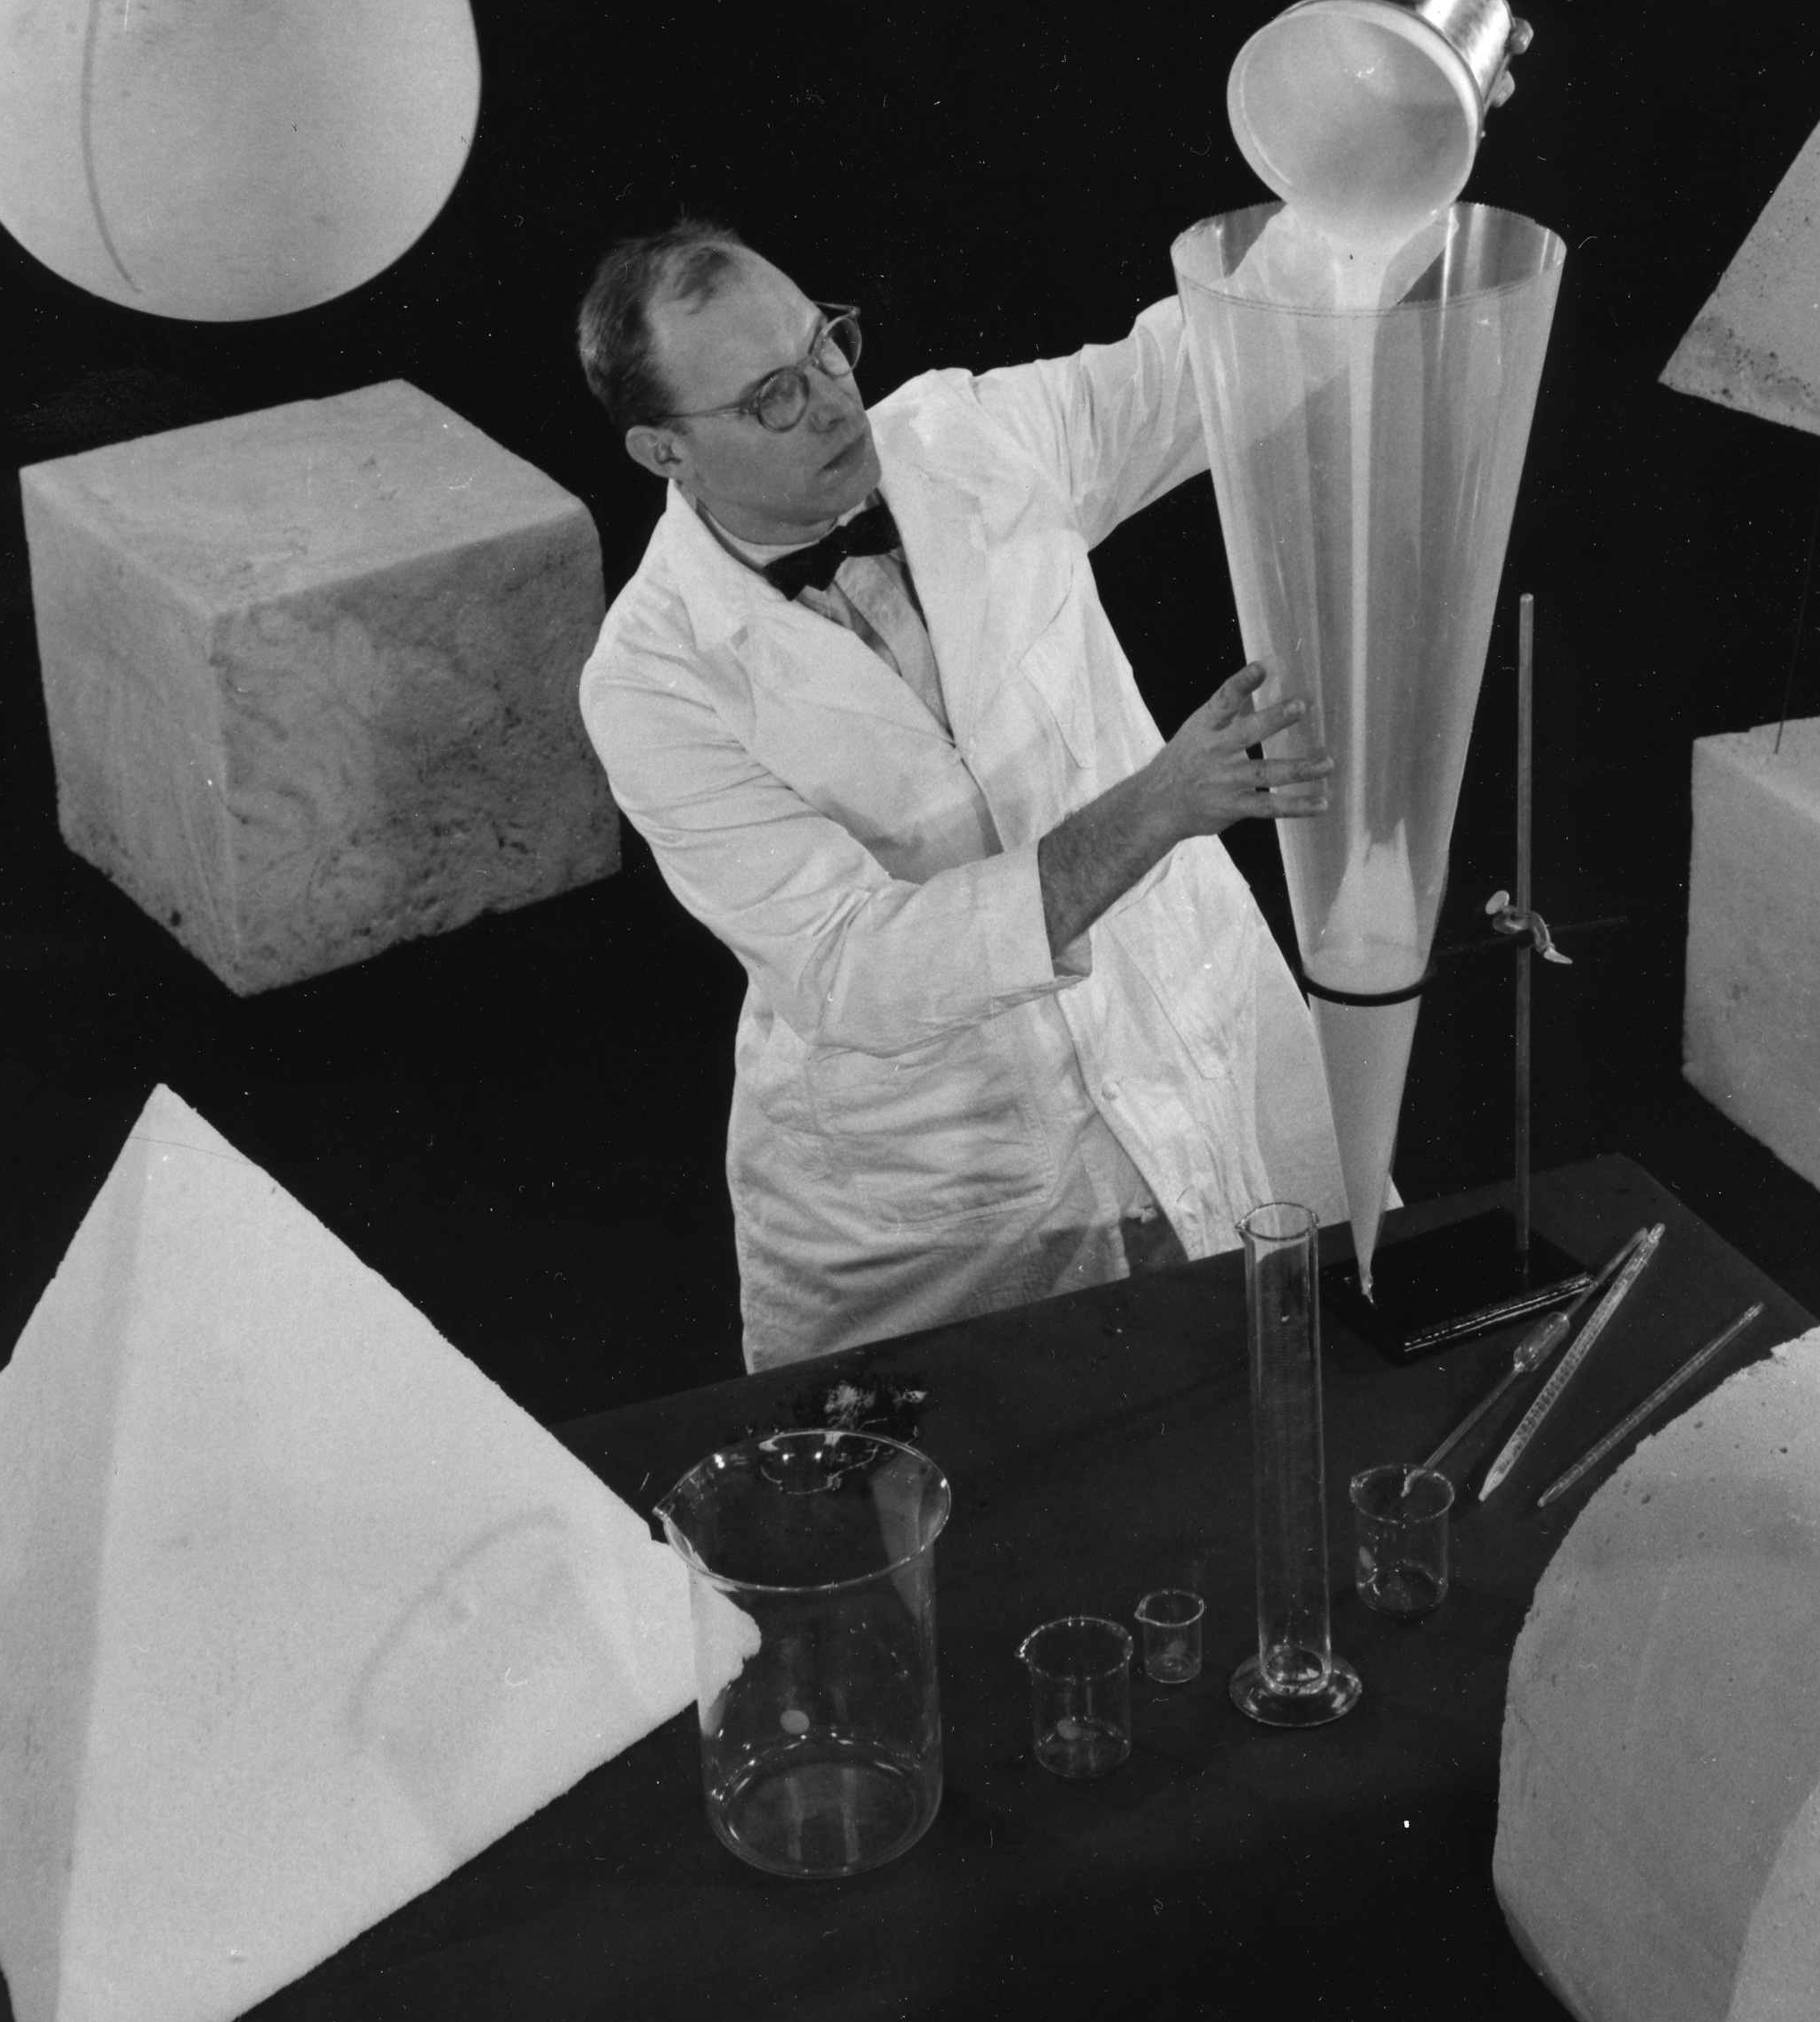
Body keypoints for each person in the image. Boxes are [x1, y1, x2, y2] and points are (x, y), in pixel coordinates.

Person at [574, 220, 1349, 1369]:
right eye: (772, 398)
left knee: (1306, 1387)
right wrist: (1162, 803)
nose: (838, 401)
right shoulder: (650, 680)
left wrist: (1388, 141)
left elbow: (1218, 354)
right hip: (947, 1183)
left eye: (827, 345)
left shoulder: (965, 436)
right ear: (662, 453)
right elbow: (856, 964)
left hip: (1186, 1027)